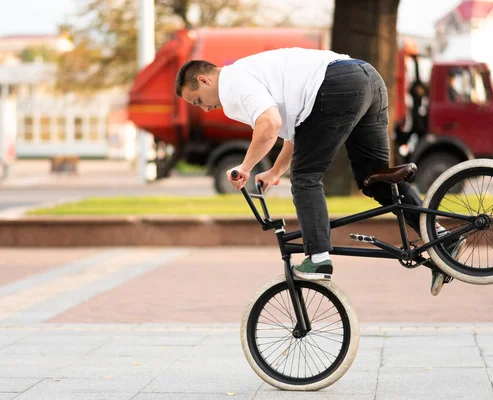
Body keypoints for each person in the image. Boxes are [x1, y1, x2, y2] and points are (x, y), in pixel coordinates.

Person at [174, 48, 465, 296]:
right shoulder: (253, 75)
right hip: (367, 79)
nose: (204, 109)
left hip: (337, 85)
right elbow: (295, 135)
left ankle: (318, 257)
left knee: (305, 178)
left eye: (197, 100)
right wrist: (275, 171)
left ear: (204, 79)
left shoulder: (234, 82)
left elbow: (269, 124)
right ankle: (442, 237)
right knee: (375, 180)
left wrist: (245, 167)